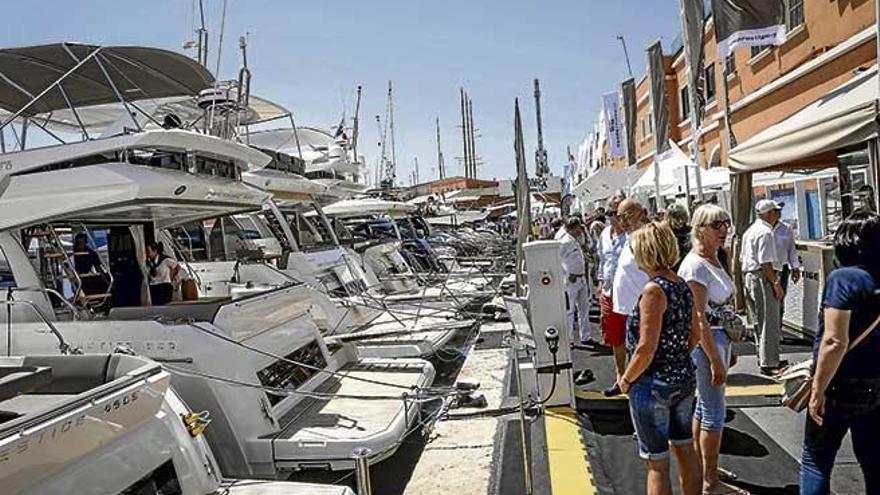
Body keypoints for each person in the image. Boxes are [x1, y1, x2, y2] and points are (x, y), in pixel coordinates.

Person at [617, 222, 701, 495]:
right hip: (683, 378)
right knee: (686, 449)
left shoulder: (654, 291)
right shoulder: (682, 285)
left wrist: (627, 379)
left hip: (653, 383)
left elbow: (645, 348)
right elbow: (695, 334)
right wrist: (677, 357)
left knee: (657, 462)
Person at [800, 210, 880, 495]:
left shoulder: (844, 278)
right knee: (873, 460)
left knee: (816, 460)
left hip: (839, 383)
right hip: (874, 382)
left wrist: (817, 389)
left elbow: (835, 341)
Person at [678, 205, 747, 495]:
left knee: (705, 407)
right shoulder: (696, 265)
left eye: (726, 222)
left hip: (718, 340)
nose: (724, 229)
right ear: (700, 228)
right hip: (707, 344)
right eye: (717, 224)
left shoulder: (713, 259)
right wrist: (715, 358)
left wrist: (726, 349)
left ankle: (705, 469)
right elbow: (698, 318)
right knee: (714, 413)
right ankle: (710, 482)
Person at [608, 198, 650, 395]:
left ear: (641, 212)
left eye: (627, 215)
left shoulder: (645, 237)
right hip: (629, 310)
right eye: (619, 216)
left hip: (642, 310)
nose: (623, 221)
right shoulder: (630, 237)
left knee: (643, 360)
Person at [740, 199, 787, 375]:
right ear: (769, 214)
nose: (779, 214)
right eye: (776, 211)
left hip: (749, 276)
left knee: (759, 321)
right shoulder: (766, 232)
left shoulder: (749, 231)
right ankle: (770, 362)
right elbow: (765, 263)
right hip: (762, 277)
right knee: (770, 320)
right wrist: (776, 283)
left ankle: (763, 357)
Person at [597, 196, 628, 381]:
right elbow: (603, 260)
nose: (612, 218)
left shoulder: (633, 235)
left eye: (616, 214)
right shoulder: (604, 235)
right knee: (615, 337)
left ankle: (635, 373)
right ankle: (620, 373)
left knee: (635, 335)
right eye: (609, 214)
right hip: (609, 293)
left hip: (630, 294)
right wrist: (600, 283)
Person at [560, 217, 593, 348]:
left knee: (584, 308)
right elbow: (558, 260)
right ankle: (569, 339)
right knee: (570, 310)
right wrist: (565, 276)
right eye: (579, 227)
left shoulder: (576, 240)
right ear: (573, 228)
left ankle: (586, 336)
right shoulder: (565, 242)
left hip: (581, 278)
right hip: (571, 280)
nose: (581, 229)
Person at [773, 218, 801, 320]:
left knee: (780, 297)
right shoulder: (761, 229)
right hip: (767, 267)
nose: (778, 213)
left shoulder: (786, 228)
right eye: (775, 210)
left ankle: (778, 328)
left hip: (782, 268)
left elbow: (791, 250)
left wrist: (795, 268)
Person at [146, 241, 179, 306]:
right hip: (154, 286)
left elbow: (177, 267)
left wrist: (171, 277)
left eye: (148, 251)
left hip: (164, 285)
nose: (147, 253)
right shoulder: (148, 261)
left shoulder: (164, 259)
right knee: (156, 307)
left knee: (165, 306)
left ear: (155, 251)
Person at [665, 202, 692, 272]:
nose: (680, 221)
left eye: (682, 217)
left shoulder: (690, 231)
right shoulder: (665, 232)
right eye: (676, 217)